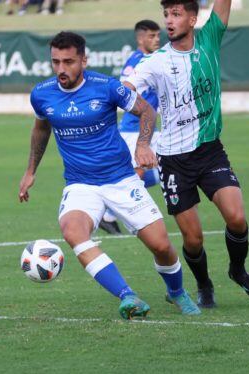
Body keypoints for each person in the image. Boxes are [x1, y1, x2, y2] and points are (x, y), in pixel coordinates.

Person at [19, 31, 200, 319]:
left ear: (84, 60)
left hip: (121, 179)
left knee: (161, 246)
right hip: (80, 184)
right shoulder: (42, 94)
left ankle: (176, 292)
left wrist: (142, 146)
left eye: (69, 61)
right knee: (72, 232)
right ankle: (127, 296)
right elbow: (42, 128)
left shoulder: (107, 87)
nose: (61, 69)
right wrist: (30, 171)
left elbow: (147, 111)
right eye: (56, 62)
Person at [124, 0, 249, 309]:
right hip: (173, 161)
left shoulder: (209, 39)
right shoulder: (155, 61)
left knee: (237, 217)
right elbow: (125, 88)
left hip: (209, 150)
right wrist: (141, 139)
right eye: (166, 14)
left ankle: (238, 271)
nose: (169, 21)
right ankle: (204, 285)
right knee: (194, 239)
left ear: (192, 19)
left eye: (176, 14)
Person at [98, 19, 162, 235]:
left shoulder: (150, 59)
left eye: (157, 35)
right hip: (134, 128)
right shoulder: (136, 62)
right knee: (138, 174)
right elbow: (127, 92)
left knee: (162, 169)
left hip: (148, 128)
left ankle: (112, 212)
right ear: (140, 38)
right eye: (151, 36)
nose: (156, 39)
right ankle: (111, 213)